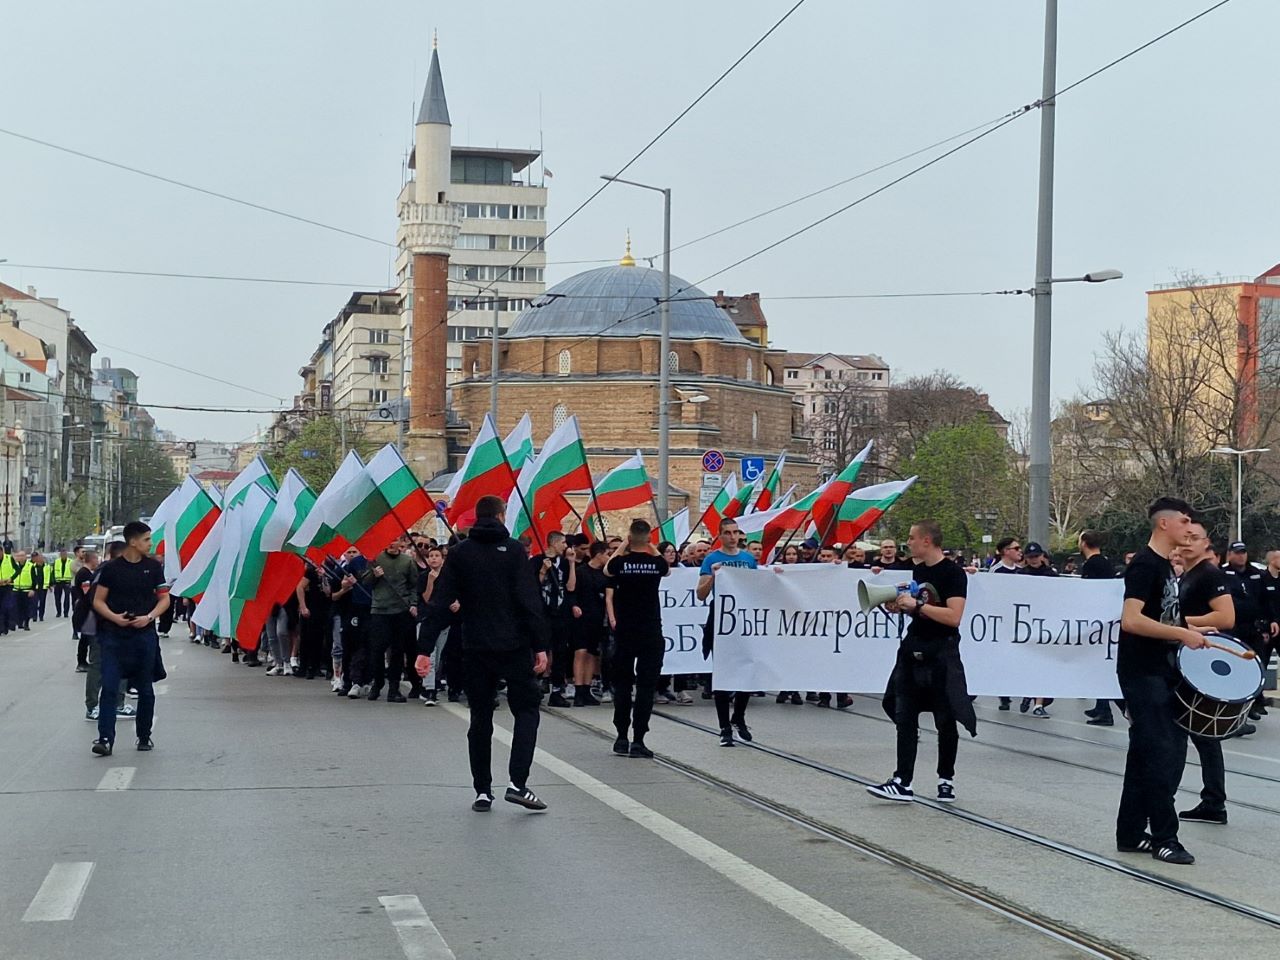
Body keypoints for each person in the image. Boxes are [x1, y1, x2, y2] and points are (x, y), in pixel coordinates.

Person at [415, 495, 550, 812]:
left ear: (476, 518)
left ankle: (482, 791)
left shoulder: (460, 553)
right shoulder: (516, 551)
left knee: (480, 719)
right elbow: (529, 602)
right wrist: (541, 645)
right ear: (502, 516)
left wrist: (424, 649)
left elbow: (440, 603)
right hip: (514, 645)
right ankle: (518, 783)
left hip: (475, 645)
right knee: (527, 711)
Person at [1114, 497, 1208, 866]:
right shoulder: (1144, 566)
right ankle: (1165, 838)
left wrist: (1190, 630)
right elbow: (1131, 620)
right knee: (1162, 754)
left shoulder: (1166, 567)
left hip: (1160, 668)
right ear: (1164, 524)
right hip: (1141, 671)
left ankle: (1130, 833)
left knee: (1143, 753)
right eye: (1184, 521)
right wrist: (1181, 634)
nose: (1189, 528)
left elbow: (1162, 616)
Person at [867, 519, 975, 803]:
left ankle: (945, 778)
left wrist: (917, 606)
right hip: (914, 649)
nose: (908, 542)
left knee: (945, 718)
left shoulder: (953, 573)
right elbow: (921, 609)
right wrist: (900, 607)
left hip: (941, 652)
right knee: (904, 713)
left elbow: (953, 617)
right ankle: (903, 780)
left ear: (927, 540)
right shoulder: (917, 570)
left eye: (912, 537)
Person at [90, 522, 170, 756]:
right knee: (110, 687)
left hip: (143, 635)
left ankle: (144, 736)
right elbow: (98, 601)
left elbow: (164, 599)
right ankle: (105, 738)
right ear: (133, 542)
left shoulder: (153, 567)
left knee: (145, 688)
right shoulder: (112, 569)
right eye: (146, 539)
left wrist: (149, 616)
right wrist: (115, 617)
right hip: (114, 636)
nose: (150, 543)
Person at [1176, 521, 1234, 826]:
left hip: (1200, 661)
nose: (1187, 542)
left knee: (1203, 735)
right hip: (1190, 658)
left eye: (1194, 538)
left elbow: (1226, 617)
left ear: (1206, 544)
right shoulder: (1188, 574)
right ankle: (1213, 800)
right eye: (1183, 537)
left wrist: (1180, 621)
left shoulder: (1209, 574)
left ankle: (1214, 802)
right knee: (1202, 737)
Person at [605, 519, 671, 758]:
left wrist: (624, 545)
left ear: (630, 539)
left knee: (622, 685)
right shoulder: (656, 563)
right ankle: (639, 739)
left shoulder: (620, 563)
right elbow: (667, 567)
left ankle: (621, 736)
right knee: (645, 686)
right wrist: (650, 546)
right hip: (650, 631)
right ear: (650, 539)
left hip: (625, 631)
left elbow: (607, 569)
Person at [696, 518, 758, 746]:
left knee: (747, 670)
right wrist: (713, 576)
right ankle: (724, 728)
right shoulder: (712, 559)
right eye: (727, 533)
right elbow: (700, 594)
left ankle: (738, 717)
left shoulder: (748, 559)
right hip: (721, 620)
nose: (732, 537)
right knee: (722, 673)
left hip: (743, 619)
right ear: (720, 536)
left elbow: (756, 588)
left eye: (735, 533)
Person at [362, 538, 419, 703]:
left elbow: (413, 585)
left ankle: (394, 688)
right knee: (377, 650)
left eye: (395, 541)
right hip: (380, 610)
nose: (392, 544)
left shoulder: (408, 561)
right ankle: (377, 683)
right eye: (390, 541)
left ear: (400, 543)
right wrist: (374, 575)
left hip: (400, 610)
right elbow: (365, 581)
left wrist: (413, 603)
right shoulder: (376, 559)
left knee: (398, 651)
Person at [1079, 530, 1124, 726]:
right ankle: (1101, 705)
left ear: (1084, 543)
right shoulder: (1104, 561)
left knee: (1098, 665)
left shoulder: (1093, 564)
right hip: (1103, 619)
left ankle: (1107, 710)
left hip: (1097, 620)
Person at [531, 530, 576, 707]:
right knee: (541, 649)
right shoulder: (537, 561)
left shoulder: (564, 563)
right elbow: (533, 586)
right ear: (554, 543)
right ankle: (536, 683)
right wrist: (543, 571)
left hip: (561, 613)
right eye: (563, 543)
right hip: (543, 613)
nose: (565, 547)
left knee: (560, 652)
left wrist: (572, 564)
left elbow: (571, 586)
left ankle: (557, 689)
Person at [571, 541, 609, 706]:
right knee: (581, 652)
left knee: (592, 654)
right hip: (582, 617)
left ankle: (586, 689)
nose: (608, 558)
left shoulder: (604, 575)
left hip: (597, 617)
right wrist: (574, 605)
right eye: (607, 554)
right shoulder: (581, 572)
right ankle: (578, 688)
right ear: (599, 554)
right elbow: (572, 591)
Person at [419, 545, 457, 705]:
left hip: (445, 620)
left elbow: (457, 593)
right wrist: (431, 581)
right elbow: (427, 598)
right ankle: (430, 690)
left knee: (439, 655)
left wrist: (456, 602)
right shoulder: (423, 576)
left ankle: (433, 683)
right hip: (428, 620)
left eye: (437, 555)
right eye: (431, 556)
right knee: (430, 655)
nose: (434, 558)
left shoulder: (451, 576)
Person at [27, 552, 50, 622]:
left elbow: (49, 576)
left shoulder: (47, 566)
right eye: (38, 558)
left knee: (42, 602)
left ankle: (41, 615)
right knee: (34, 602)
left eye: (41, 558)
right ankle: (34, 616)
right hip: (35, 587)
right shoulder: (33, 566)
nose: (40, 559)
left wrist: (50, 584)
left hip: (43, 587)